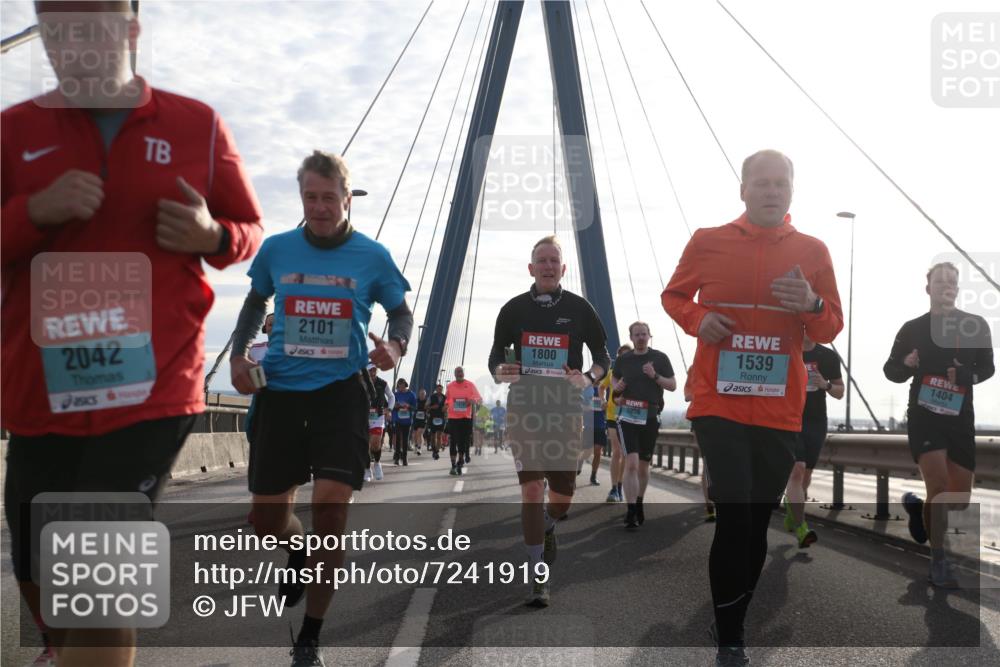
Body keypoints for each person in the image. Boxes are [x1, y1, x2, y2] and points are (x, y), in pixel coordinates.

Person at [1, 4, 263, 665]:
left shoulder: (196, 125)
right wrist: (33, 211)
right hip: (42, 389)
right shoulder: (14, 131)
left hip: (151, 386)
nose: (72, 45)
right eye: (57, 31)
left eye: (91, 27)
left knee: (97, 573)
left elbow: (248, 232)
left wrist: (212, 235)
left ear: (131, 32)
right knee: (37, 564)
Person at [229, 150, 411, 666]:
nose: (320, 207)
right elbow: (254, 303)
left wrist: (394, 348)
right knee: (265, 520)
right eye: (311, 197)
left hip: (341, 395)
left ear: (347, 199)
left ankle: (310, 636)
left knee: (331, 512)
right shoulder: (278, 249)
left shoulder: (372, 256)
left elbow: (401, 313)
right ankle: (298, 548)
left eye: (330, 197)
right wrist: (240, 354)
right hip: (282, 394)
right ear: (302, 197)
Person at [662, 149, 843, 667]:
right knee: (735, 513)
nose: (770, 190)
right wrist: (700, 320)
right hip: (718, 403)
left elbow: (829, 326)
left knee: (756, 520)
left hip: (780, 410)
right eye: (760, 182)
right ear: (743, 190)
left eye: (779, 183)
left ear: (791, 191)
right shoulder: (709, 241)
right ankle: (731, 634)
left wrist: (810, 304)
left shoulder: (812, 250)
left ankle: (733, 613)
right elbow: (674, 296)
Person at [490, 235, 611, 607]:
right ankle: (538, 576)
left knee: (561, 499)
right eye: (540, 260)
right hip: (525, 406)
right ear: (531, 268)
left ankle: (548, 522)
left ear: (563, 269)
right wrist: (500, 370)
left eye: (552, 260)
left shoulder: (579, 308)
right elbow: (495, 357)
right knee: (530, 488)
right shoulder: (513, 310)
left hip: (564, 410)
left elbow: (603, 356)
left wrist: (589, 378)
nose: (546, 265)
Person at [884, 261, 994, 588]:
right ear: (928, 288)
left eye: (952, 281)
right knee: (939, 486)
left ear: (957, 289)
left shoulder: (976, 325)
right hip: (924, 415)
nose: (947, 285)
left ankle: (919, 512)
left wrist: (966, 376)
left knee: (957, 500)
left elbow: (987, 369)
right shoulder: (912, 328)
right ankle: (939, 561)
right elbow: (891, 371)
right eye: (940, 280)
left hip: (960, 418)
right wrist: (906, 363)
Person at [611, 322, 676, 529]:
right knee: (630, 463)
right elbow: (614, 380)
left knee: (643, 466)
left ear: (650, 336)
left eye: (644, 334)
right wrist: (617, 390)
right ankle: (630, 511)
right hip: (627, 417)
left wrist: (655, 376)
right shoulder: (623, 360)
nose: (640, 337)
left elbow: (673, 385)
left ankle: (639, 502)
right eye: (636, 334)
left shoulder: (660, 358)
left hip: (650, 416)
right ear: (631, 337)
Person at [783, 334, 844, 547]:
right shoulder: (785, 349)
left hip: (816, 420)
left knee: (805, 475)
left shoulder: (827, 356)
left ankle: (792, 508)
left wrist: (824, 384)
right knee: (797, 470)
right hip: (789, 417)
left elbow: (840, 391)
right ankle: (802, 528)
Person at [601, 344, 631, 503]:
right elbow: (601, 387)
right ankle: (613, 489)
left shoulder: (635, 374)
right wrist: (603, 400)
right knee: (617, 451)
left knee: (626, 454)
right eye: (622, 356)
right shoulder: (612, 372)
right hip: (612, 415)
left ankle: (620, 486)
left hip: (629, 417)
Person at [684, 368, 715, 523]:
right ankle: (709, 505)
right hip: (701, 420)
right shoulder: (693, 368)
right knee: (708, 462)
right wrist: (701, 393)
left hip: (725, 420)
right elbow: (687, 395)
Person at [445, 367, 481, 475]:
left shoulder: (470, 385)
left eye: (461, 372)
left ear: (464, 374)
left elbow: (479, 398)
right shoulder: (450, 386)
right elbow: (447, 399)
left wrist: (472, 400)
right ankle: (453, 465)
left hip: (465, 418)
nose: (460, 374)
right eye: (458, 372)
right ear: (455, 374)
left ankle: (460, 462)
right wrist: (446, 404)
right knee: (453, 442)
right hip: (453, 418)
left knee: (462, 442)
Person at [365, 365, 393, 481]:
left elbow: (391, 396)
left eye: (374, 370)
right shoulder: (361, 382)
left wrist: (389, 410)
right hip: (363, 416)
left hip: (378, 416)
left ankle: (377, 463)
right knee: (365, 445)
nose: (372, 372)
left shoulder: (383, 383)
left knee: (376, 443)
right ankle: (367, 469)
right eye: (370, 370)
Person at [392, 378, 417, 466]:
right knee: (398, 437)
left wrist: (408, 406)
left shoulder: (411, 395)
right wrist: (397, 406)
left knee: (405, 439)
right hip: (397, 419)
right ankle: (397, 458)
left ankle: (405, 458)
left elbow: (415, 408)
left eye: (402, 385)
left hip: (407, 420)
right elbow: (391, 406)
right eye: (399, 386)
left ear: (405, 385)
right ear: (398, 386)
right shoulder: (395, 395)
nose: (401, 387)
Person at [426, 383, 447, 459]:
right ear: (436, 389)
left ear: (442, 390)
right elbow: (426, 406)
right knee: (433, 435)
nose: (439, 390)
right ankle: (434, 449)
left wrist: (446, 408)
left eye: (441, 389)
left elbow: (448, 406)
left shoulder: (445, 398)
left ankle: (437, 451)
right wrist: (432, 407)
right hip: (433, 418)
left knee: (439, 435)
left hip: (441, 418)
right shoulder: (431, 397)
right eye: (438, 389)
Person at [412, 388, 428, 455]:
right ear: (419, 394)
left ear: (425, 395)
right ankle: (416, 445)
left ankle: (419, 448)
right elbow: (412, 407)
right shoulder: (416, 401)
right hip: (416, 419)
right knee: (415, 434)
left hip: (423, 420)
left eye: (423, 394)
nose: (422, 395)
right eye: (421, 394)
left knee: (419, 433)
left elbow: (429, 409)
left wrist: (428, 412)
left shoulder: (427, 402)